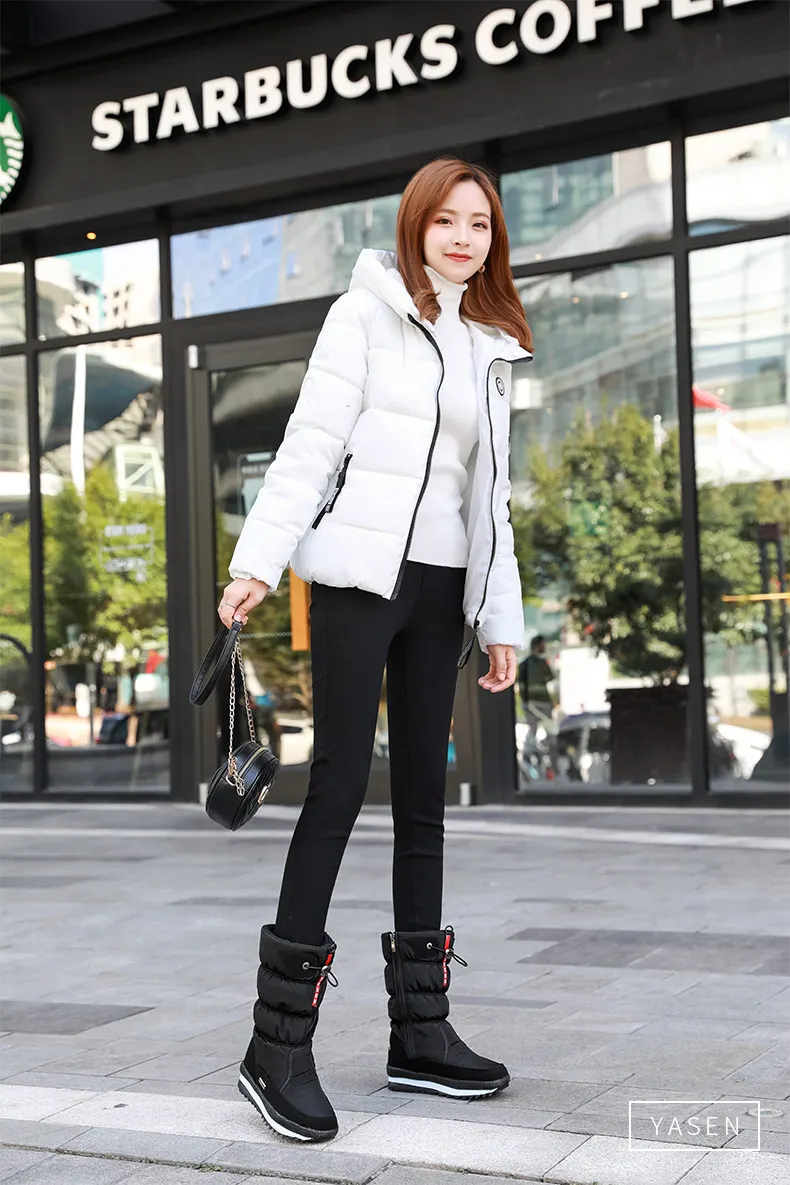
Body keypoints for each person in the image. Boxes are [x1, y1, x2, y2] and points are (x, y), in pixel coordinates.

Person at [217, 157, 533, 1143]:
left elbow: (492, 499)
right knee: (341, 785)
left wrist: (500, 619)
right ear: (415, 224)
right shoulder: (363, 314)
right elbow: (310, 444)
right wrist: (258, 561)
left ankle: (420, 1034)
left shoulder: (490, 343)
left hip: (442, 592)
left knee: (426, 799)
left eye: (479, 224)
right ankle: (275, 1046)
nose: (463, 238)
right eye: (446, 220)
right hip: (359, 581)